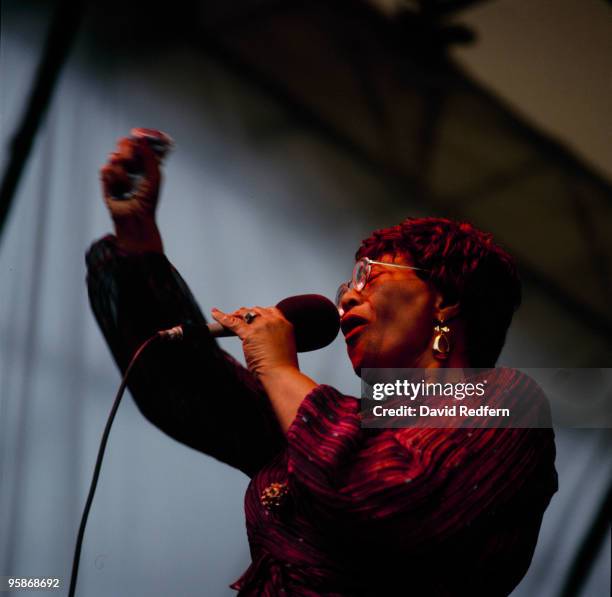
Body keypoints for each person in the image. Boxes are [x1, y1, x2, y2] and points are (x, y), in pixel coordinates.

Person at [86, 135, 558, 596]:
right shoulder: (342, 426)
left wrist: (279, 370)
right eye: (348, 284)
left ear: (447, 298)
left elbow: (381, 493)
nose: (349, 294)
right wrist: (137, 241)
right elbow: (193, 389)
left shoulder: (510, 408)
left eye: (370, 275)